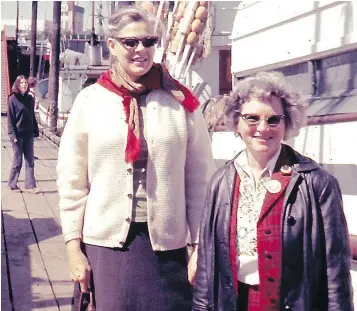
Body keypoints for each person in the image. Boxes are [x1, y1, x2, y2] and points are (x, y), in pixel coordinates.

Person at [57, 6, 214, 311]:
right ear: (112, 45)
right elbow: (72, 180)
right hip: (106, 246)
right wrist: (73, 248)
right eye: (130, 42)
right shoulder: (90, 102)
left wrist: (198, 246)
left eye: (149, 41)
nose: (141, 49)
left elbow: (199, 182)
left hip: (168, 249)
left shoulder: (181, 103)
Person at [192, 71, 353, 311]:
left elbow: (336, 271)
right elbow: (206, 264)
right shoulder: (220, 182)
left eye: (273, 119)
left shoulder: (317, 183)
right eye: (252, 118)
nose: (263, 128)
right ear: (237, 122)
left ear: (287, 122)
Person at [7, 75, 40, 194]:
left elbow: (32, 116)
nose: (24, 85)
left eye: (25, 83)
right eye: (21, 83)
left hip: (28, 134)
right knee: (17, 161)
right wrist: (12, 135)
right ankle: (12, 184)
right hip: (17, 135)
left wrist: (35, 130)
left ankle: (30, 185)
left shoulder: (29, 99)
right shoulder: (12, 99)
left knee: (30, 160)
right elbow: (10, 120)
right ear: (17, 84)